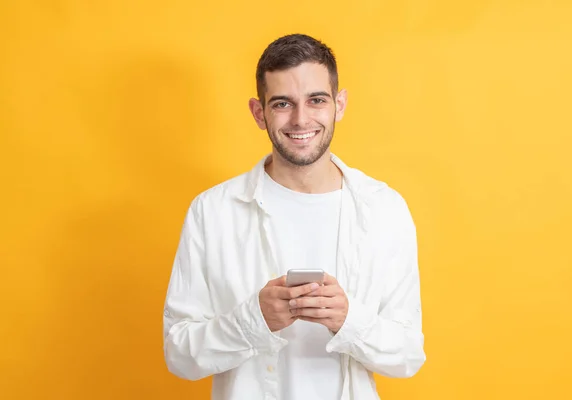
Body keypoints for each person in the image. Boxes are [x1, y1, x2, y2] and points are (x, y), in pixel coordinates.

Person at [162, 33, 426, 400]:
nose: (301, 120)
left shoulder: (384, 209)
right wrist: (254, 320)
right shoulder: (213, 211)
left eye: (316, 100)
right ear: (259, 112)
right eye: (283, 103)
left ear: (340, 104)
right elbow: (179, 355)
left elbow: (408, 355)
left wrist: (348, 319)